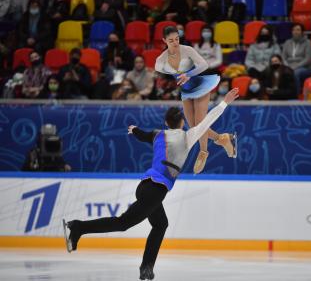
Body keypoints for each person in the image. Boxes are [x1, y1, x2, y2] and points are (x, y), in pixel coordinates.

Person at [63, 88, 240, 281]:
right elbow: (208, 121)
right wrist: (225, 101)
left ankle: (146, 268)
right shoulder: (188, 136)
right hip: (155, 190)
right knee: (123, 223)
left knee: (160, 224)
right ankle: (78, 227)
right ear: (182, 122)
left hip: (146, 186)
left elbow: (142, 134)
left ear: (166, 123)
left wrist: (134, 130)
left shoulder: (158, 134)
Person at [155, 26, 236, 174]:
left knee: (200, 122)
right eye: (171, 40)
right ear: (164, 41)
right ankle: (222, 138)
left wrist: (189, 74)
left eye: (177, 39)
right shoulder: (161, 60)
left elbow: (204, 64)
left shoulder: (187, 50)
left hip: (200, 84)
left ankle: (203, 152)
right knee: (193, 128)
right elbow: (158, 71)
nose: (175, 43)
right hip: (186, 91)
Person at [281, 23, 311, 94]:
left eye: (298, 30)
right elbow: (283, 57)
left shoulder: (308, 43)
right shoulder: (287, 42)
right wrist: (287, 66)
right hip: (289, 66)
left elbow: (308, 59)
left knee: (296, 73)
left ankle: (297, 94)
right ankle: (283, 94)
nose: (295, 32)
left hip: (306, 67)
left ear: (302, 32)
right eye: (293, 30)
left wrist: (295, 66)